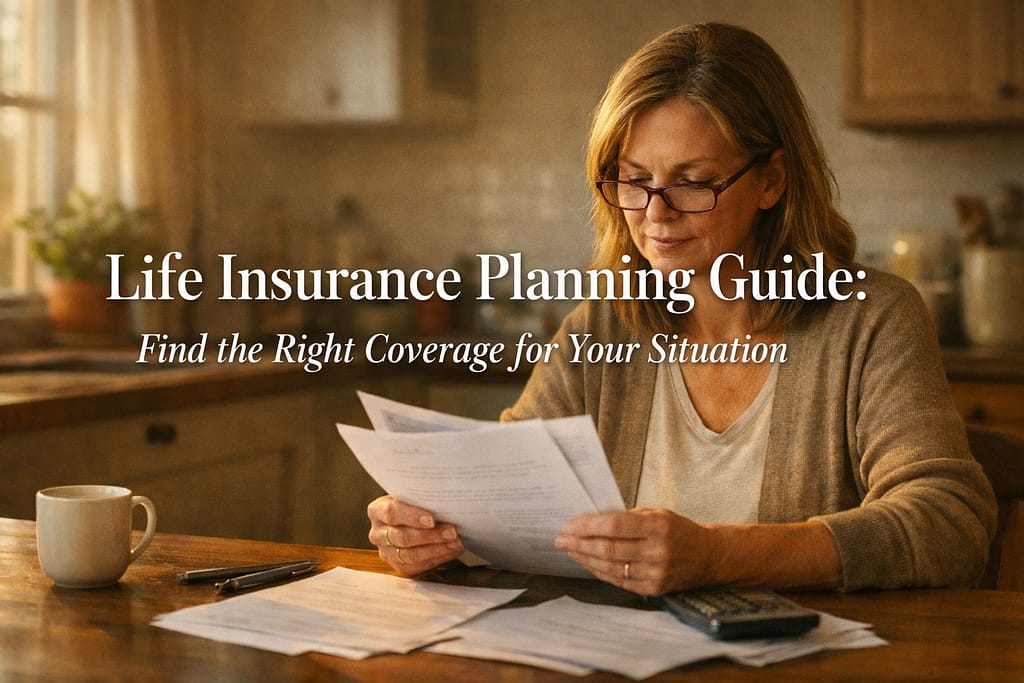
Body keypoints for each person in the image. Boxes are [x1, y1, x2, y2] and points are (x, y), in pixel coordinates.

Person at [366, 22, 997, 595]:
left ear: (772, 180)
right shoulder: (600, 328)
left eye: (693, 182)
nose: (655, 214)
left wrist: (719, 555)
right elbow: (501, 497)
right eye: (634, 179)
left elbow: (949, 522)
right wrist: (429, 533)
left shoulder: (872, 320)